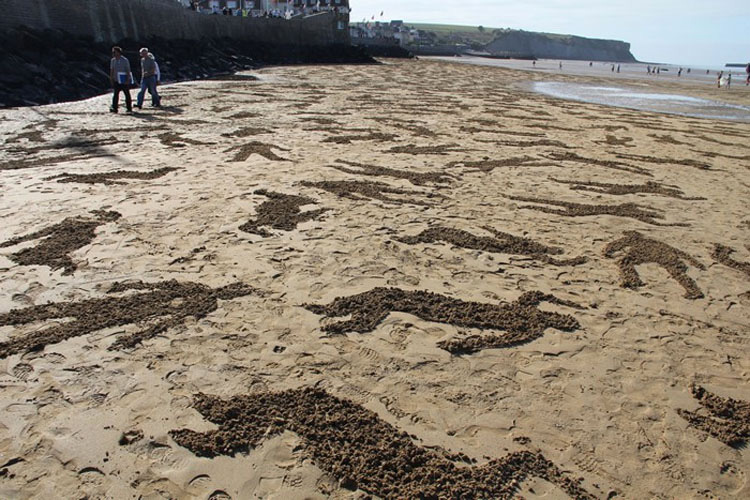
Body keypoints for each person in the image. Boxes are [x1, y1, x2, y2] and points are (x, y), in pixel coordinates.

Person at [109, 46, 133, 113]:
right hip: (116, 80)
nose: (113, 53)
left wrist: (128, 79)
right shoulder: (113, 60)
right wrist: (111, 78)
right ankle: (115, 108)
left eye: (114, 52)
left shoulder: (125, 60)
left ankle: (129, 108)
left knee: (127, 94)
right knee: (116, 94)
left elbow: (128, 70)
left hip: (124, 80)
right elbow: (112, 70)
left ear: (119, 52)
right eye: (113, 52)